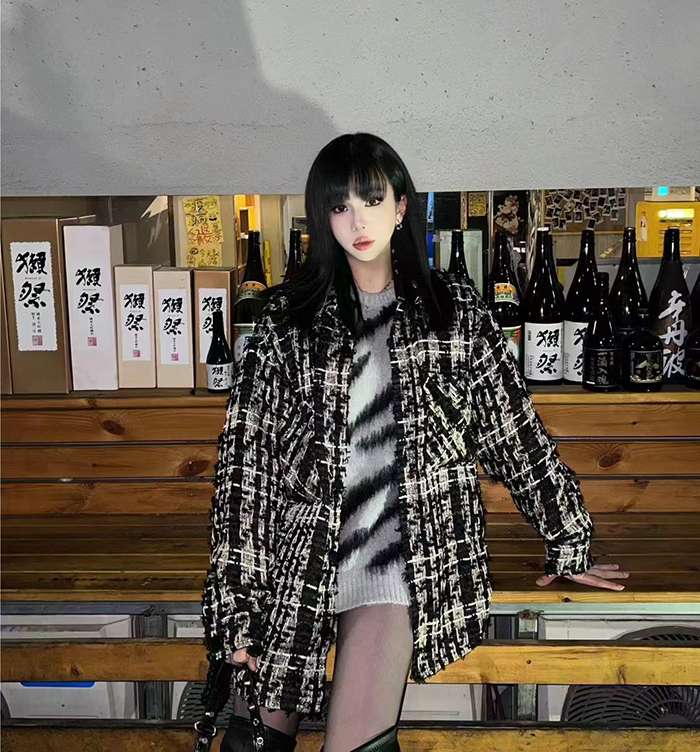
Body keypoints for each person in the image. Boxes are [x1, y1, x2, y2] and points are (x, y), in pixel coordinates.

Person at [201, 133, 628, 752]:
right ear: (323, 218)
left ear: (401, 206)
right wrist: (237, 603)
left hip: (403, 560)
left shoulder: (452, 311)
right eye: (340, 206)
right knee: (250, 745)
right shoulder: (286, 322)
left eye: (372, 201)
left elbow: (513, 433)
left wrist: (569, 539)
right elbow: (248, 470)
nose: (358, 222)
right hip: (300, 561)